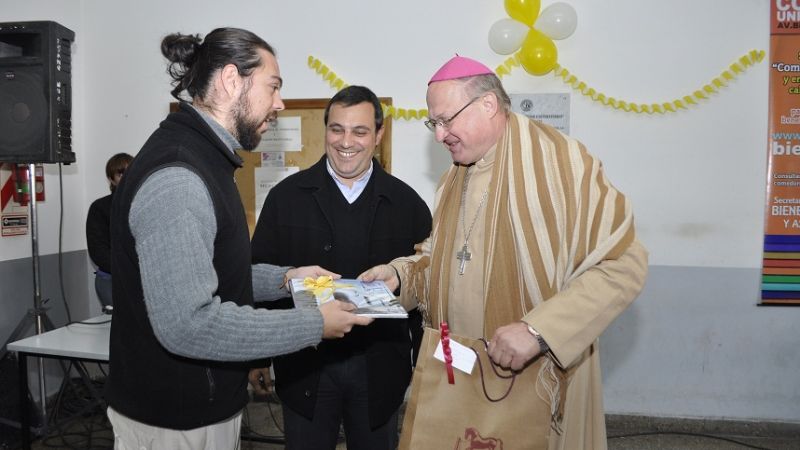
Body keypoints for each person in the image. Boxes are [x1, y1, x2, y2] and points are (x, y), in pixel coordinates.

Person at [360, 55, 649, 449]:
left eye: (446, 120)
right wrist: (398, 275)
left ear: (488, 105)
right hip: (456, 368)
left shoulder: (562, 164)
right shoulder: (453, 178)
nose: (439, 135)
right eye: (434, 123)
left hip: (533, 375)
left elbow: (623, 263)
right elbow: (442, 262)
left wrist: (539, 331)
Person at [105, 28, 372, 450]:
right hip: (175, 420)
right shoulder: (179, 177)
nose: (280, 104)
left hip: (199, 408)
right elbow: (189, 324)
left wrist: (286, 278)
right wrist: (315, 323)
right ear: (233, 80)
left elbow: (211, 269)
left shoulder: (209, 160)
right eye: (274, 87)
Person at [249, 85, 432, 449]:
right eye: (337, 129)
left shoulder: (407, 204)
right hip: (304, 366)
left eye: (360, 131)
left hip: (379, 369)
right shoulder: (285, 198)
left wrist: (421, 362)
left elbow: (423, 290)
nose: (346, 141)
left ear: (379, 135)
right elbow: (258, 276)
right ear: (326, 130)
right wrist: (256, 358)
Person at [85, 152, 133, 309]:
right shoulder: (100, 208)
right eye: (121, 173)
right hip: (110, 281)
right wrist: (127, 269)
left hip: (142, 281)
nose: (126, 177)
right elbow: (97, 250)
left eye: (131, 171)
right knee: (114, 330)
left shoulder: (146, 203)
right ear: (111, 179)